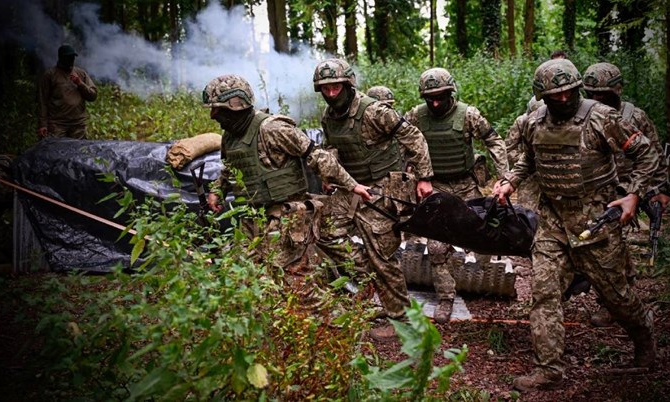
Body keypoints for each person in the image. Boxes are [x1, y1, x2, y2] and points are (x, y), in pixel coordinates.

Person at [492, 58, 661, 392]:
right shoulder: (532, 122)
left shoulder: (601, 117)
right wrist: (511, 181)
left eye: (570, 92)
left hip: (596, 221)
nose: (565, 100)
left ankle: (644, 339)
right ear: (542, 96)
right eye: (556, 95)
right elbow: (529, 156)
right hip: (553, 221)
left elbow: (647, 154)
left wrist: (632, 195)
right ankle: (549, 369)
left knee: (617, 296)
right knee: (543, 293)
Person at [202, 74, 372, 309]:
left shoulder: (272, 129)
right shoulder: (230, 138)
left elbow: (317, 155)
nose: (213, 116)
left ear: (236, 106)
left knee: (296, 283)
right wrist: (216, 191)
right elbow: (229, 169)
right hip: (253, 217)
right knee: (241, 272)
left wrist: (351, 185)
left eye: (217, 110)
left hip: (286, 215)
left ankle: (336, 323)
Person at [312, 58, 434, 338]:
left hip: (380, 189)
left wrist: (424, 177)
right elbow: (331, 149)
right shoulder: (328, 117)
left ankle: (402, 319)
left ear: (347, 84)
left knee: (382, 254)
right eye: (325, 88)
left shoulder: (375, 112)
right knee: (324, 232)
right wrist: (330, 178)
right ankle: (365, 273)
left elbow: (413, 137)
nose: (331, 93)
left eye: (336, 87)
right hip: (350, 187)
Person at [403, 67, 508, 323]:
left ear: (451, 92)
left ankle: (481, 275)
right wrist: (408, 173)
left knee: (482, 238)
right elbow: (399, 140)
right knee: (437, 246)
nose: (435, 102)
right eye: (430, 98)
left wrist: (505, 177)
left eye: (441, 96)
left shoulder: (469, 115)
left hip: (466, 185)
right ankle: (446, 297)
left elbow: (494, 140)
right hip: (435, 187)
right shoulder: (416, 116)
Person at [581, 62, 670, 327]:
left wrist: (660, 190)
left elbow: (653, 152)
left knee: (611, 248)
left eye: (603, 94)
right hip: (599, 190)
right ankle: (617, 298)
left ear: (618, 90)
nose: (597, 99)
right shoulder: (584, 115)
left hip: (631, 188)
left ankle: (620, 303)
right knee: (605, 246)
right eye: (591, 94)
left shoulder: (635, 117)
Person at [38, 44, 98, 139]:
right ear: (61, 58)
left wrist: (80, 83)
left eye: (73, 57)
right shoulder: (50, 75)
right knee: (56, 151)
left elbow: (93, 96)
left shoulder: (81, 73)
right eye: (68, 57)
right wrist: (43, 124)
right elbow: (43, 101)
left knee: (79, 151)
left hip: (78, 124)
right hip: (57, 125)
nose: (71, 59)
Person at [505, 97, 543, 212]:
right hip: (528, 174)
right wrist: (525, 161)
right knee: (526, 213)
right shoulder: (521, 122)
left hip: (551, 174)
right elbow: (509, 149)